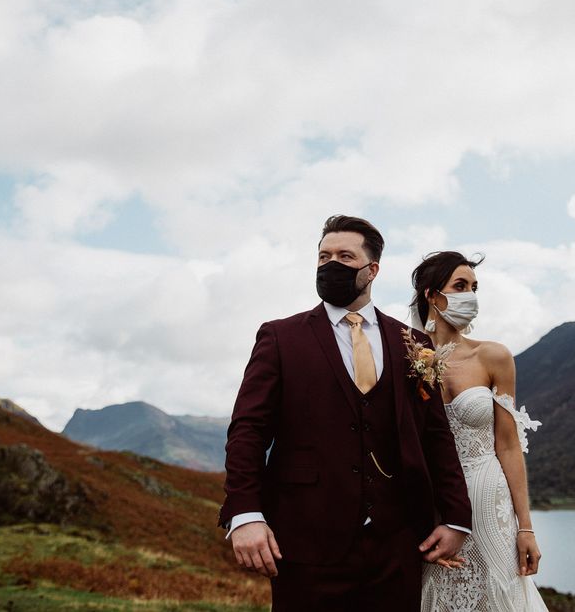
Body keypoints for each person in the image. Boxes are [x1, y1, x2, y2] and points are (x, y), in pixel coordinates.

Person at [219, 216, 474, 612]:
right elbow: (248, 431)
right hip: (306, 540)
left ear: (371, 270)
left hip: (398, 544)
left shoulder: (413, 343)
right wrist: (245, 513)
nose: (330, 264)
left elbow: (436, 436)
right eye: (323, 256)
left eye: (344, 255)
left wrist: (456, 518)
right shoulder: (280, 337)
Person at [411, 251, 548, 612]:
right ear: (431, 295)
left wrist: (525, 527)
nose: (470, 295)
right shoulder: (406, 358)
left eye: (474, 287)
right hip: (435, 508)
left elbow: (508, 445)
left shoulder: (494, 357)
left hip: (491, 503)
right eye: (460, 286)